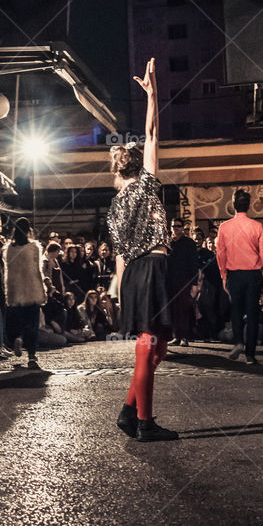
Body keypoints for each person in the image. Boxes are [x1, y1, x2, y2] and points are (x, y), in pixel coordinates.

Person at [108, 58, 177, 442]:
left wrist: (119, 289)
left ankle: (129, 410)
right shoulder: (147, 186)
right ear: (138, 166)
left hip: (134, 272)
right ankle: (145, 424)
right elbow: (152, 135)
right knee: (149, 346)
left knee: (157, 348)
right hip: (150, 266)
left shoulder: (116, 204)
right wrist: (153, 95)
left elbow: (118, 252)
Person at [216, 189, 263, 365]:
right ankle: (250, 354)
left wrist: (223, 275)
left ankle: (238, 341)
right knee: (252, 313)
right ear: (249, 205)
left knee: (236, 310)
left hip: (234, 274)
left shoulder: (224, 227)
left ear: (233, 205)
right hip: (253, 274)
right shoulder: (257, 226)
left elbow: (221, 254)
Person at [4, 217, 46, 369]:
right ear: (29, 230)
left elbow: (7, 273)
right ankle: (32, 356)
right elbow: (38, 271)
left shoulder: (9, 248)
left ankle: (19, 338)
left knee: (20, 322)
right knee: (32, 324)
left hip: (17, 290)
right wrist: (43, 291)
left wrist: (9, 294)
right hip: (32, 289)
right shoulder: (33, 247)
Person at [166, 218, 198, 347]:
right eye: (173, 226)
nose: (176, 228)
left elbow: (193, 263)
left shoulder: (189, 243)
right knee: (173, 309)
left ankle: (184, 336)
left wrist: (194, 283)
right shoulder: (168, 243)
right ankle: (176, 336)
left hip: (185, 280)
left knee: (183, 309)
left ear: (182, 227)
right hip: (170, 280)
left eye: (178, 226)